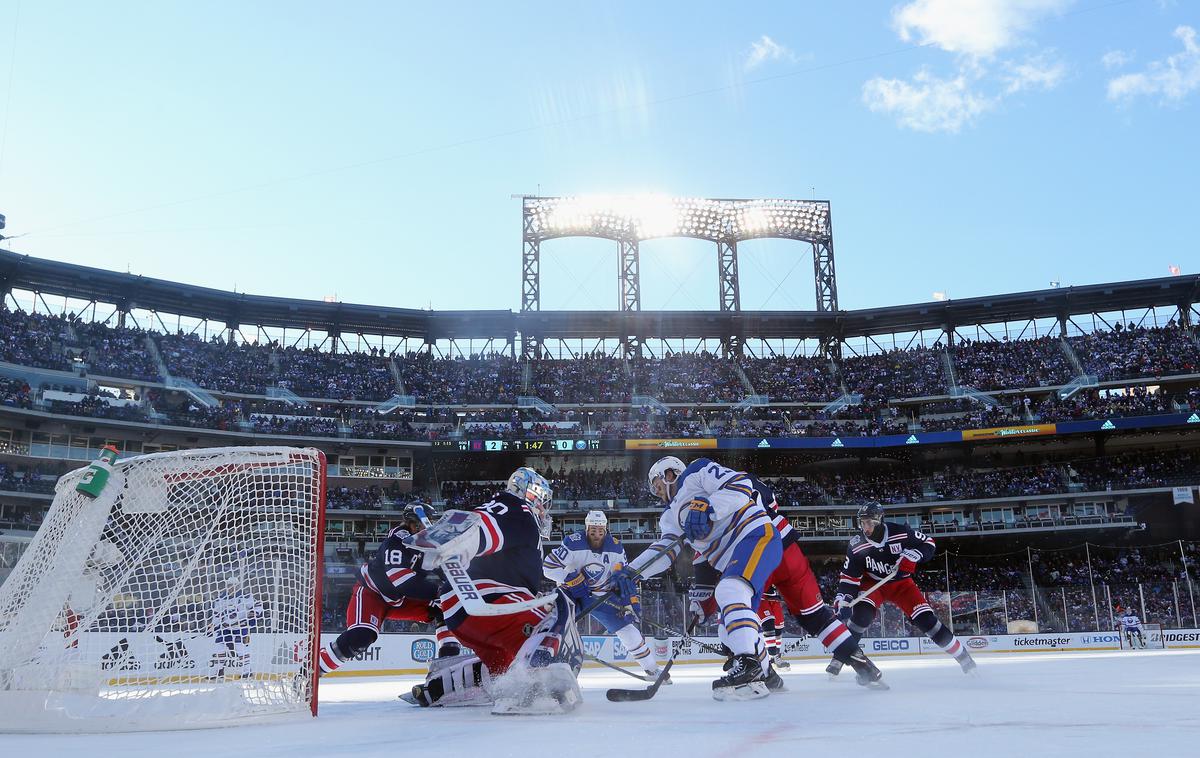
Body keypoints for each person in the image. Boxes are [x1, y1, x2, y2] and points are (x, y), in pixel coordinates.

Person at [406, 467, 583, 713]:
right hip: (487, 599)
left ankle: (438, 688)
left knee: (506, 670)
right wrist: (455, 542)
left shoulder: (508, 510)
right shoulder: (518, 510)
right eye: (543, 502)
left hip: (463, 614)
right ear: (532, 494)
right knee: (555, 612)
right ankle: (536, 685)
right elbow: (484, 526)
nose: (544, 510)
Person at [694, 471, 886, 688]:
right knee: (817, 616)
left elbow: (704, 553)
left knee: (734, 610)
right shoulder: (747, 480)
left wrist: (704, 600)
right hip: (786, 545)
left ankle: (759, 673)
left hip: (754, 549)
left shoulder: (704, 499)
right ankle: (865, 667)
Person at [614, 456, 782, 701]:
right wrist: (633, 572)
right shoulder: (670, 517)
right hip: (733, 559)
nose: (658, 493)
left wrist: (709, 506)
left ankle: (749, 666)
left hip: (753, 535)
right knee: (728, 629)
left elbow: (741, 484)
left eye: (658, 485)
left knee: (729, 592)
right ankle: (767, 676)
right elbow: (665, 551)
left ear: (669, 473)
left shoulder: (697, 471)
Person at [831, 503, 976, 675]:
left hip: (902, 584)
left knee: (928, 622)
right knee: (861, 617)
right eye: (862, 523)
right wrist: (843, 599)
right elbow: (849, 578)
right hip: (872, 584)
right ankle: (839, 657)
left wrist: (914, 555)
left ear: (879, 520)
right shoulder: (856, 545)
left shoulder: (900, 532)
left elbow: (928, 543)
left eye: (869, 522)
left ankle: (965, 658)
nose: (865, 527)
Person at [318, 504, 451, 676]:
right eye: (427, 521)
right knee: (361, 637)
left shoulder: (427, 547)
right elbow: (404, 582)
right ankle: (310, 672)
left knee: (445, 607)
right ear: (414, 525)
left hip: (398, 599)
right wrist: (440, 590)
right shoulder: (396, 543)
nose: (430, 525)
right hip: (372, 594)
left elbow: (445, 573)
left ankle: (447, 668)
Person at [543, 509, 663, 679]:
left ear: (605, 529)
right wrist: (571, 578)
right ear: (586, 529)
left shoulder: (615, 546)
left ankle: (652, 670)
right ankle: (543, 666)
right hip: (572, 594)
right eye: (593, 530)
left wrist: (628, 599)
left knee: (628, 630)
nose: (597, 534)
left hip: (602, 596)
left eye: (600, 530)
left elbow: (621, 576)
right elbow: (548, 567)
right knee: (556, 625)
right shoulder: (573, 542)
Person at [209, 579, 264, 679]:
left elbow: (258, 606)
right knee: (219, 647)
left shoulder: (245, 596)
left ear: (238, 586)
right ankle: (219, 671)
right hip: (225, 628)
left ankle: (247, 672)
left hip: (240, 627)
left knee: (240, 648)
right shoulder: (221, 598)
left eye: (234, 585)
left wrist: (251, 617)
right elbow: (217, 614)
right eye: (229, 585)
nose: (231, 587)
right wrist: (213, 625)